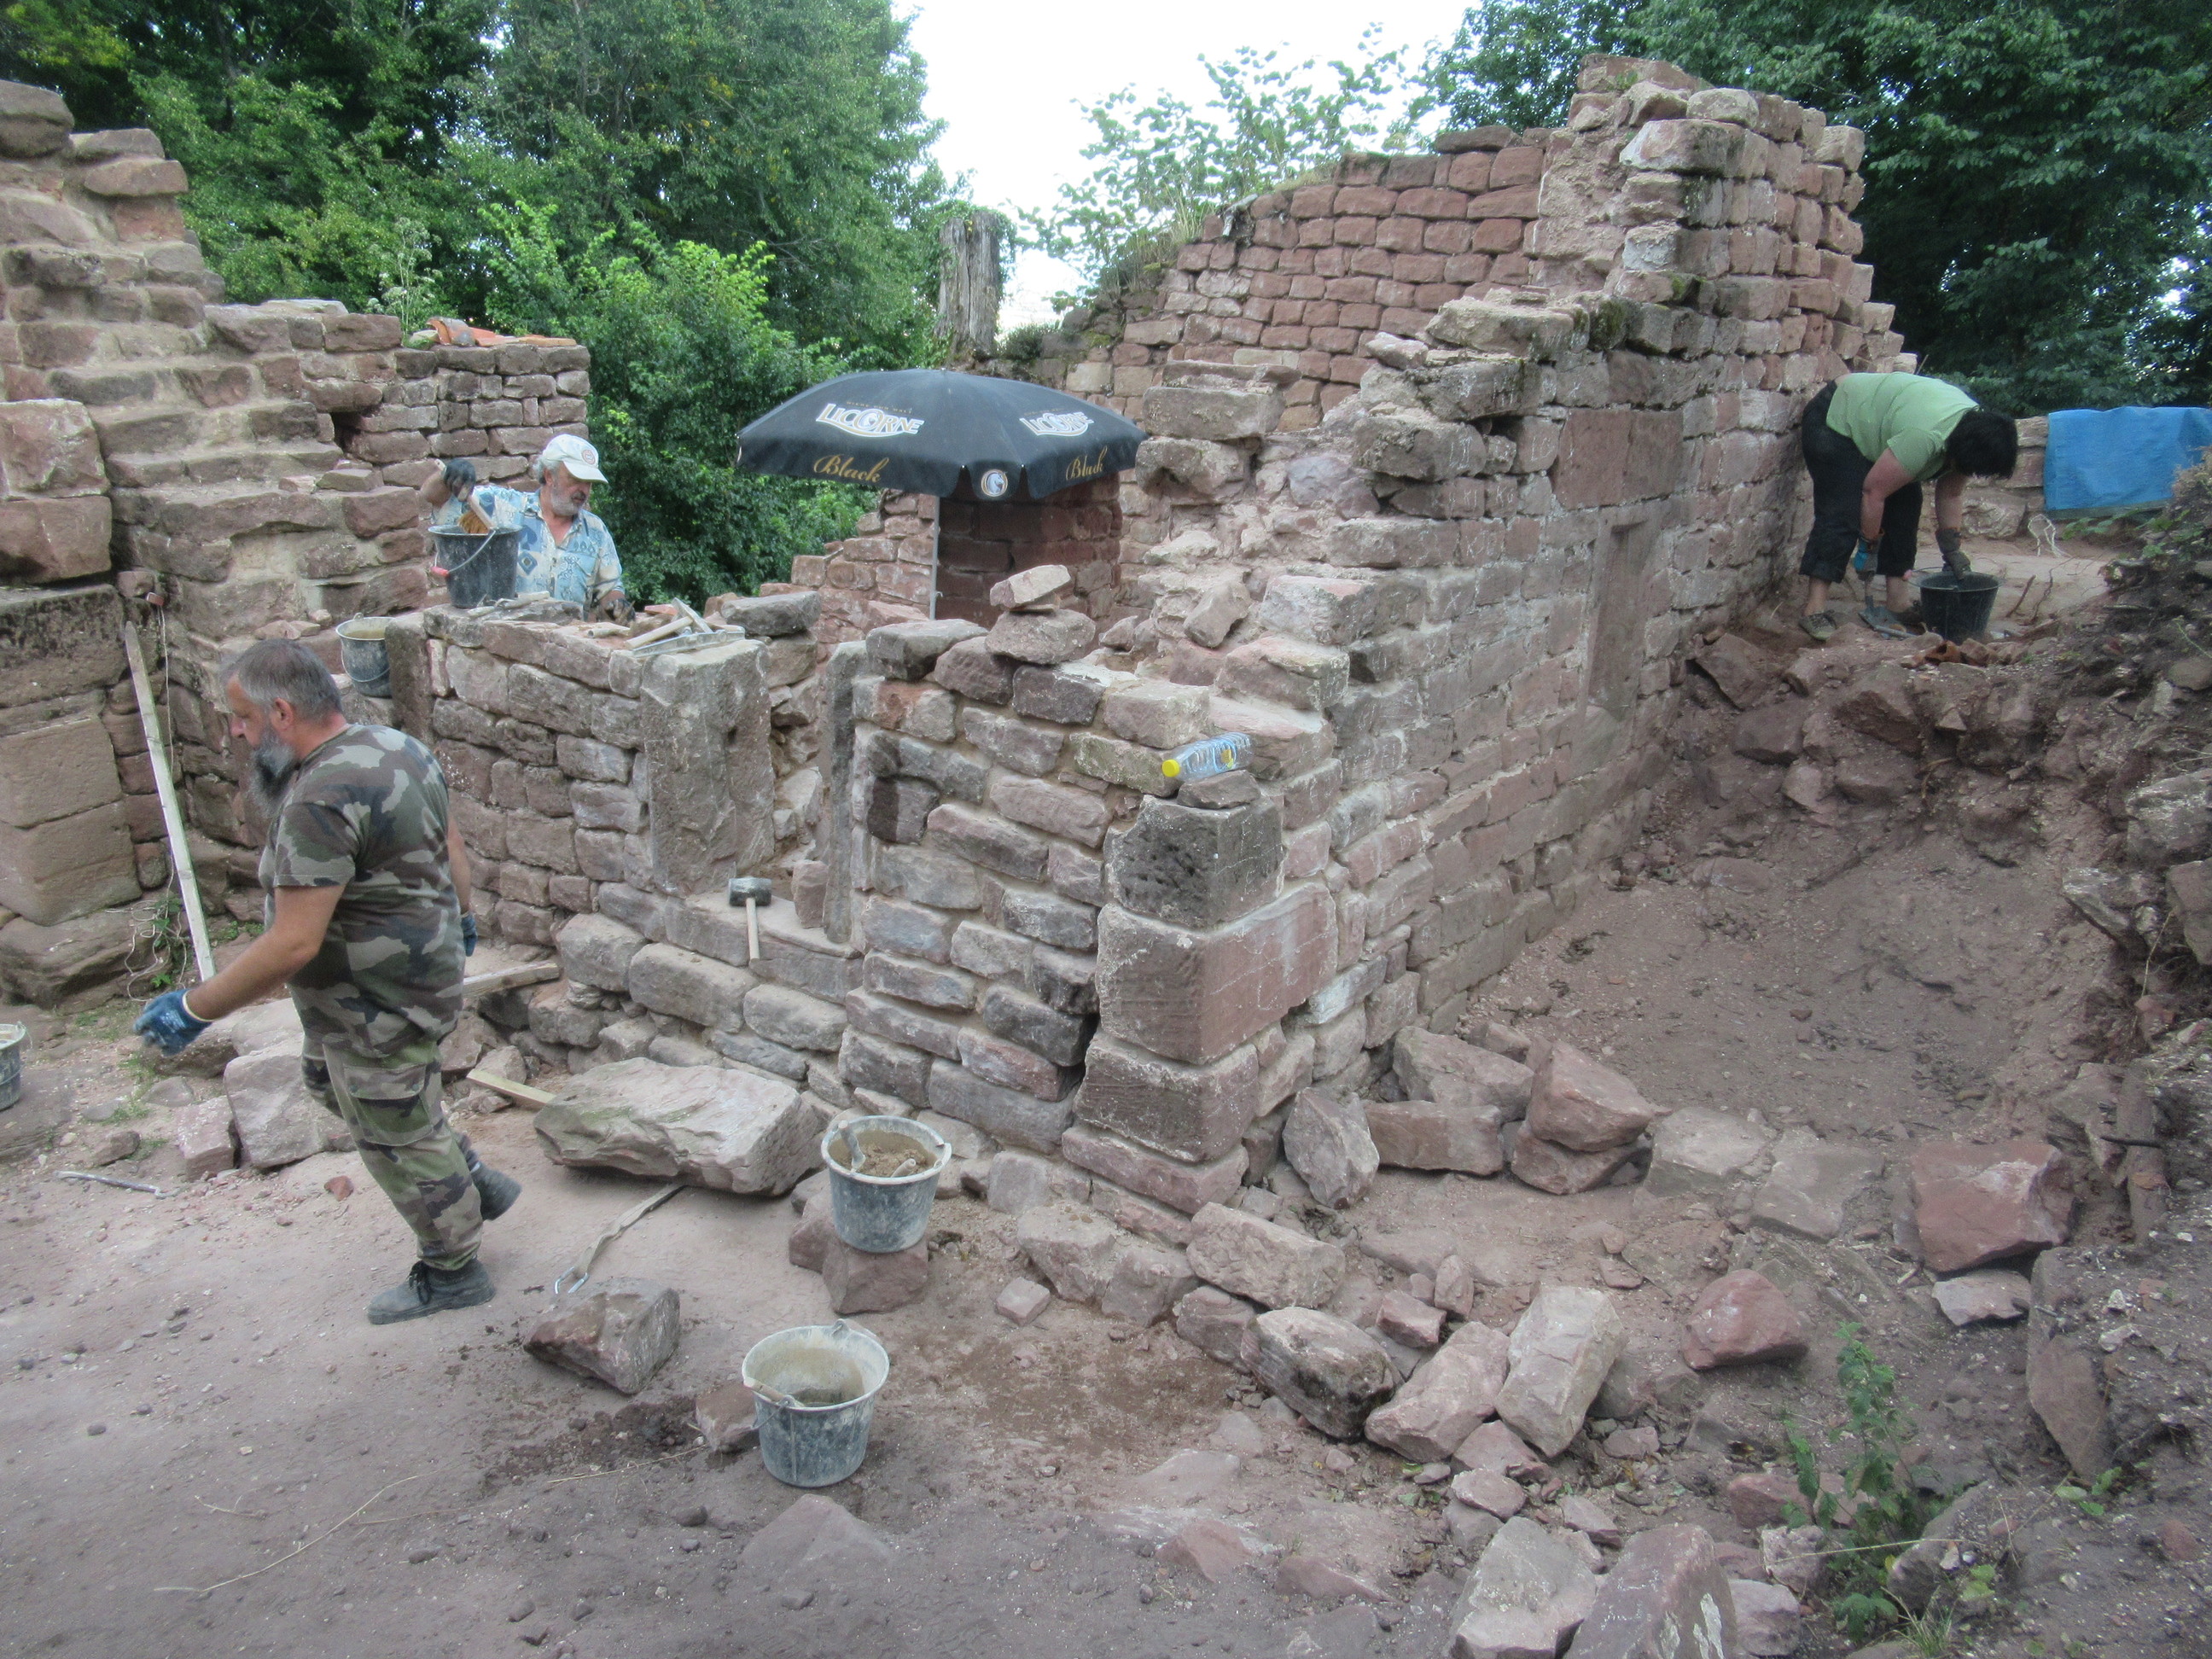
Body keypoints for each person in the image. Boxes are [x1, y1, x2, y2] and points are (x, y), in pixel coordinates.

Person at [133, 640, 521, 1324]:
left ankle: (454, 1268)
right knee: (326, 1081)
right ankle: (466, 1175)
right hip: (405, 979)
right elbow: (452, 845)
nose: (236, 733)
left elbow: (293, 942)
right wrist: (461, 918)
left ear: (282, 713)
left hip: (378, 999)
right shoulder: (397, 746)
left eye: (243, 718)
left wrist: (195, 1007)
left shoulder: (319, 797)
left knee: (394, 1129)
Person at [1796, 372, 2019, 642]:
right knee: (1842, 511)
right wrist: (1868, 547)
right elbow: (1873, 493)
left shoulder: (1975, 434)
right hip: (1836, 417)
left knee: (1907, 507)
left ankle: (1898, 604)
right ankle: (1814, 609)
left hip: (1885, 427)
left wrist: (1952, 549)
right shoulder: (1925, 437)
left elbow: (1951, 494)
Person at [420, 434, 632, 621]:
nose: (583, 490)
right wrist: (447, 477)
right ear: (549, 475)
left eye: (588, 482)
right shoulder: (502, 509)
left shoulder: (595, 531)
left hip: (567, 647)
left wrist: (618, 608)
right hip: (509, 644)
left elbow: (609, 590)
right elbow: (434, 498)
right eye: (576, 479)